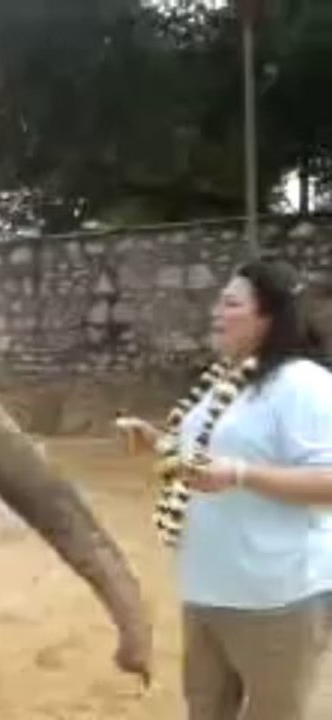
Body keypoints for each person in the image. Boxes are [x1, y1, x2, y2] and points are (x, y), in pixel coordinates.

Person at [118, 259, 332, 719]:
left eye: (231, 303)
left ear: (269, 317)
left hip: (276, 598)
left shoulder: (304, 386)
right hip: (207, 590)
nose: (216, 311)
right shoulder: (226, 382)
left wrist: (240, 474)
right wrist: (158, 440)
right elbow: (205, 458)